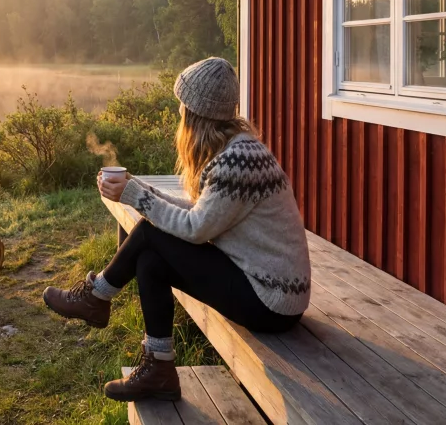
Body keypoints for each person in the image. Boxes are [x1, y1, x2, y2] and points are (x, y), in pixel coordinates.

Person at [42, 57, 310, 402]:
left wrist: (135, 196)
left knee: (151, 237)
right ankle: (158, 368)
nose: (179, 113)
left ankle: (97, 297)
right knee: (151, 257)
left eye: (182, 106)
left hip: (271, 300)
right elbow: (203, 214)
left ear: (195, 113)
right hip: (268, 289)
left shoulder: (238, 161)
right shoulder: (238, 150)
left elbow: (196, 229)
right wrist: (140, 189)